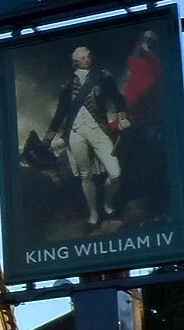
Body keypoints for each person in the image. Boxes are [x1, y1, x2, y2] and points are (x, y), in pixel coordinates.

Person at [46, 45, 130, 231]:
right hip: (75, 132)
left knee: (115, 172)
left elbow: (117, 98)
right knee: (86, 176)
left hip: (98, 128)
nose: (87, 59)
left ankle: (108, 205)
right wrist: (47, 139)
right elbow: (60, 113)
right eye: (83, 58)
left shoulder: (102, 77)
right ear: (76, 62)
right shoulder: (68, 85)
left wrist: (122, 117)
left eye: (88, 56)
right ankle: (93, 215)